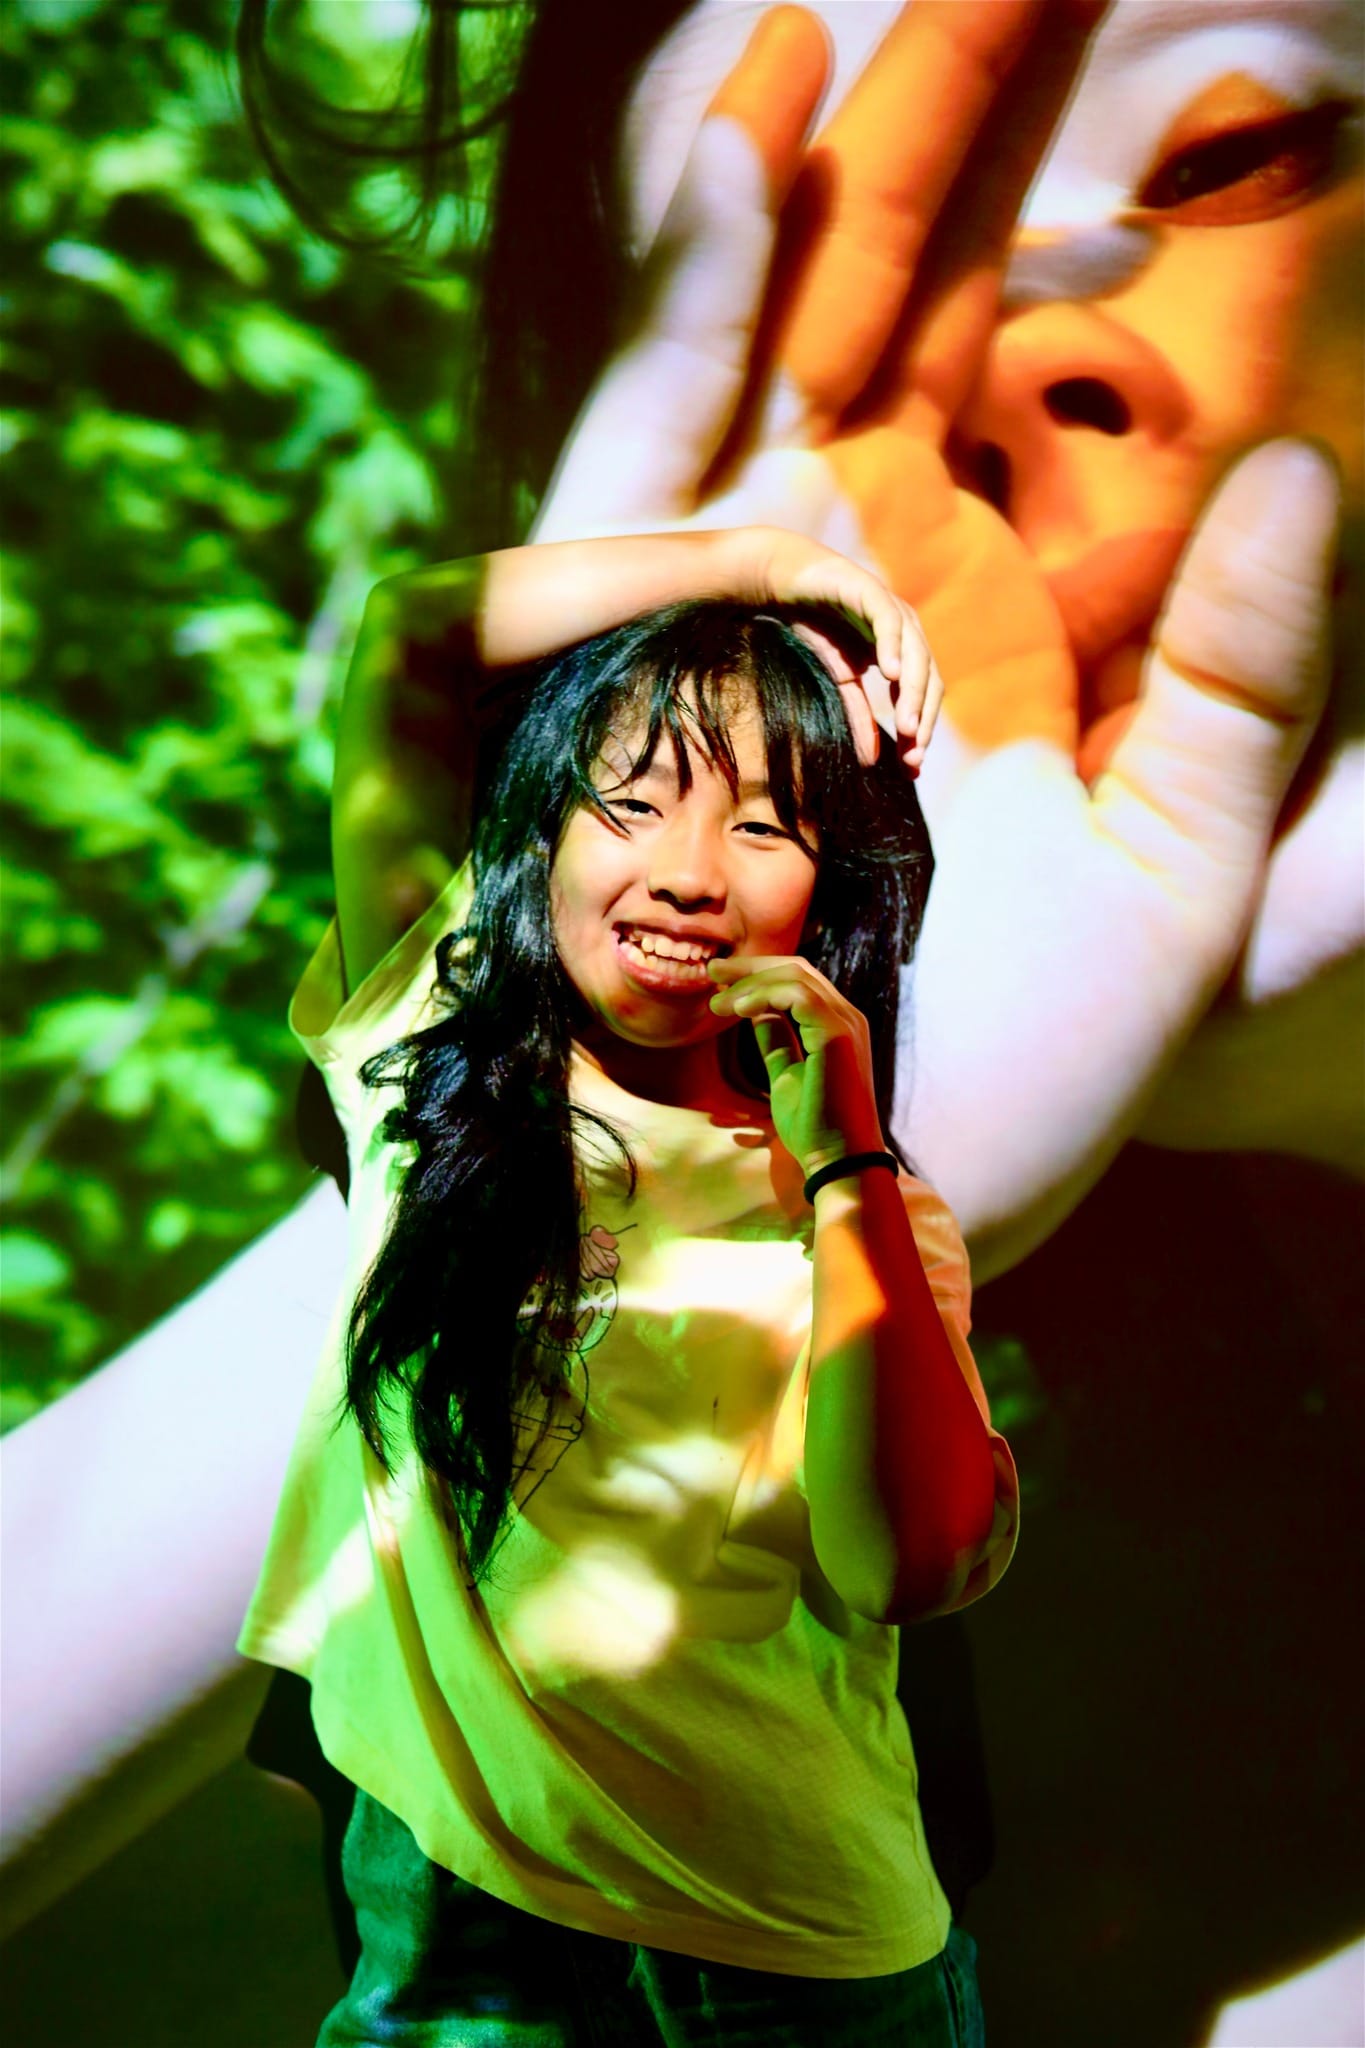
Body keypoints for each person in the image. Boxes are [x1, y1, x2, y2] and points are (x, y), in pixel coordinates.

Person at [236, 520, 1019, 2044]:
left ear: (823, 897)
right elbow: (409, 635)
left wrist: (846, 1163)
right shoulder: (423, 1048)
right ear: (543, 834)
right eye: (634, 803)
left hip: (799, 1963)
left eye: (762, 830)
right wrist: (770, 561)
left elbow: (906, 1569)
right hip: (463, 1938)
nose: (681, 875)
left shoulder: (868, 1210)